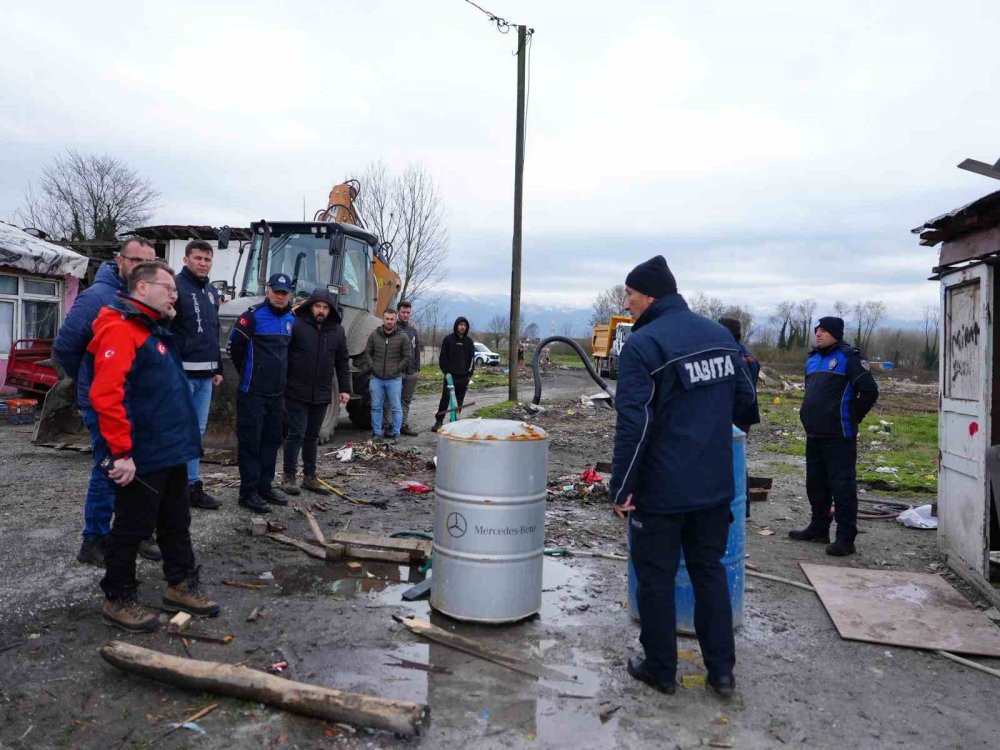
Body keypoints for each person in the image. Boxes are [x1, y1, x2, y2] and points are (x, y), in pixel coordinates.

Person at [609, 255, 755, 699]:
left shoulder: (644, 345)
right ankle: (722, 673)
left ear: (650, 295)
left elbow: (634, 424)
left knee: (656, 577)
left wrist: (621, 487)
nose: (627, 304)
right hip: (714, 486)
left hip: (662, 491)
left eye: (630, 295)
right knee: (708, 572)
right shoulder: (721, 337)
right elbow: (746, 405)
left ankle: (660, 669)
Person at [84, 261, 220, 632]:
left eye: (175, 289)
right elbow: (107, 395)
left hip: (170, 447)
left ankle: (181, 584)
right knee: (133, 526)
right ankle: (118, 598)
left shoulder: (152, 328)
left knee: (176, 521)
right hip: (142, 451)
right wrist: (121, 453)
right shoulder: (120, 328)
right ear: (142, 288)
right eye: (168, 288)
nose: (175, 294)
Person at [53, 237, 160, 567]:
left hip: (139, 401)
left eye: (150, 262)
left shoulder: (145, 298)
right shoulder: (98, 297)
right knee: (110, 468)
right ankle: (94, 540)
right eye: (137, 260)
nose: (143, 268)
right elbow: (66, 347)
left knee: (142, 469)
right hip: (106, 403)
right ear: (119, 260)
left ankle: (136, 532)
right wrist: (90, 380)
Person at [789, 316, 879, 556]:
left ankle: (845, 539)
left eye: (824, 330)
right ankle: (818, 529)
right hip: (814, 433)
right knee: (815, 484)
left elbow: (869, 391)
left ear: (835, 334)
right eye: (816, 330)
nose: (818, 334)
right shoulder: (812, 360)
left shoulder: (849, 358)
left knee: (842, 487)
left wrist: (852, 415)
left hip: (839, 435)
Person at [228, 273, 296, 512]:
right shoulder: (252, 316)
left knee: (271, 441)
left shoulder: (290, 318)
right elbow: (235, 347)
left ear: (290, 295)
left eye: (284, 293)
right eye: (276, 292)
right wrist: (250, 374)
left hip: (276, 395)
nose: (280, 297)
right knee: (250, 443)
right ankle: (247, 493)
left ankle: (265, 487)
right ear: (268, 291)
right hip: (252, 393)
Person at [281, 289, 351, 496]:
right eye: (318, 306)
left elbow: (342, 362)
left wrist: (345, 389)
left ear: (330, 310)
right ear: (310, 307)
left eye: (325, 307)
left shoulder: (337, 331)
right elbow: (284, 355)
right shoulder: (296, 325)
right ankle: (288, 476)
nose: (321, 311)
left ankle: (310, 476)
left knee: (312, 436)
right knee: (296, 434)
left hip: (321, 393)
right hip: (296, 390)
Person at [172, 240, 223, 510]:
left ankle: (192, 485)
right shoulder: (176, 287)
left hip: (206, 375)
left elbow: (213, 331)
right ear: (186, 260)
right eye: (198, 258)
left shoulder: (211, 292)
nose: (203, 263)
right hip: (182, 373)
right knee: (179, 430)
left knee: (197, 432)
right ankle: (173, 487)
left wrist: (218, 367)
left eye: (207, 259)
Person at [718, 317, 760, 517]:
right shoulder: (747, 353)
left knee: (732, 460)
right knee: (738, 458)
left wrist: (727, 412)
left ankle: (739, 508)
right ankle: (743, 507)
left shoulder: (731, 352)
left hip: (736, 414)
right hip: (747, 413)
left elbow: (744, 391)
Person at [362, 308, 412, 442]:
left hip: (394, 379)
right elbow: (367, 352)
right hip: (376, 378)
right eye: (387, 319)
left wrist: (397, 368)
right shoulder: (374, 335)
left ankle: (396, 433)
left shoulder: (402, 337)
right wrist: (372, 366)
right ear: (383, 319)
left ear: (395, 320)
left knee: (396, 407)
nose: (389, 321)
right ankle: (376, 433)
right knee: (376, 407)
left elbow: (407, 356)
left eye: (392, 319)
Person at [431, 316, 475, 432]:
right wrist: (446, 372)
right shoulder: (448, 339)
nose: (462, 327)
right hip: (450, 376)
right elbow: (443, 358)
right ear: (456, 325)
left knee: (459, 400)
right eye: (461, 324)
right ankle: (439, 421)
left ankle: (454, 421)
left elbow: (472, 359)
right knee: (445, 399)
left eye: (465, 325)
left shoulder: (469, 342)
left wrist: (469, 374)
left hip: (463, 377)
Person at [393, 300, 421, 436]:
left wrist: (417, 368)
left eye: (408, 312)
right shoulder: (393, 329)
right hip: (396, 371)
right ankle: (391, 426)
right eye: (403, 312)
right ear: (398, 312)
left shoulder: (413, 331)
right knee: (393, 400)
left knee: (406, 400)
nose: (406, 315)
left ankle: (403, 425)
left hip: (411, 372)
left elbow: (417, 350)